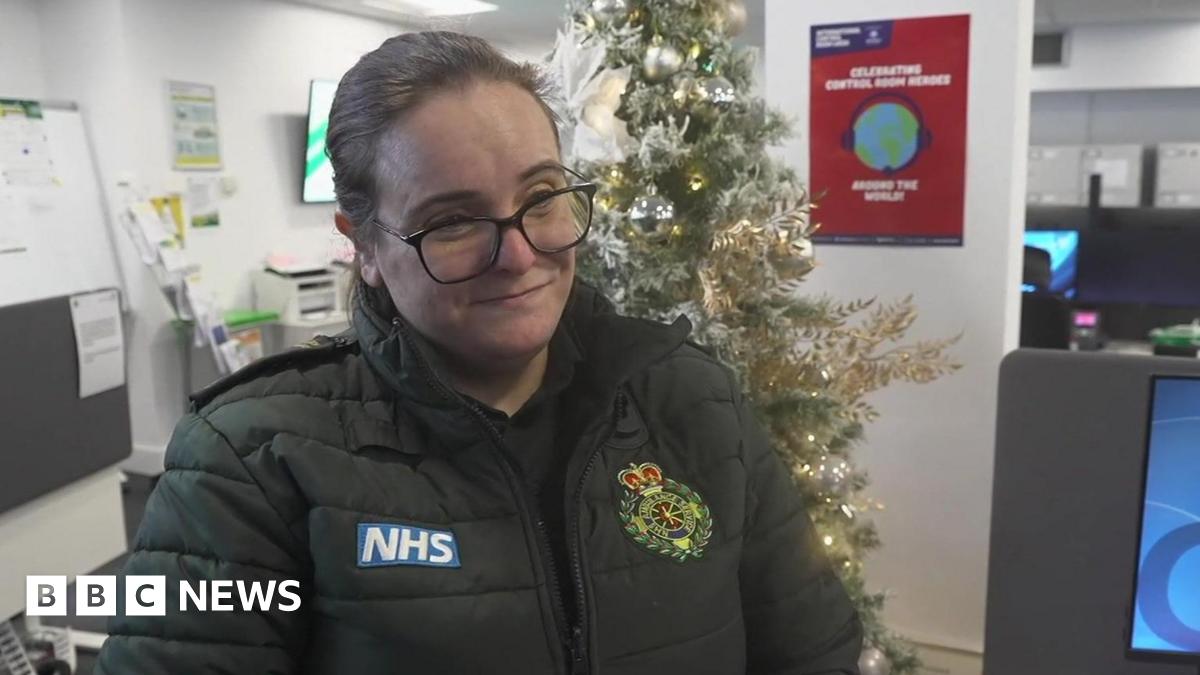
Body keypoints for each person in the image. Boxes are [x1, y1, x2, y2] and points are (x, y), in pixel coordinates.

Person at [95, 31, 862, 675]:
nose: (520, 252)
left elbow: (813, 651)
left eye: (541, 196)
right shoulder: (253, 463)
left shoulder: (692, 400)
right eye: (454, 221)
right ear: (363, 245)